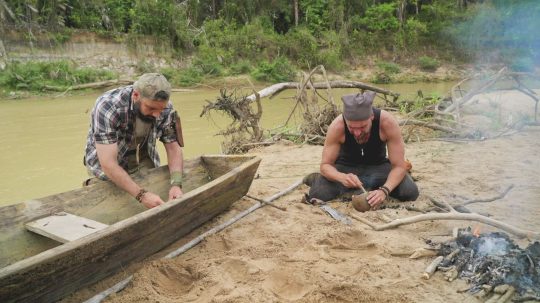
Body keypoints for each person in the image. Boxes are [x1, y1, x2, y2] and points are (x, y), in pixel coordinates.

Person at [84, 73, 184, 209]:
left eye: (161, 109)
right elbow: (108, 164)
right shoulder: (108, 106)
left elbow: (173, 147)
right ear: (136, 96)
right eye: (151, 108)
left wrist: (176, 184)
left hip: (141, 158)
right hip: (105, 167)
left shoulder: (165, 108)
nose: (157, 114)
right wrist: (142, 195)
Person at [306, 90, 419, 209]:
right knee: (317, 193)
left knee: (410, 192)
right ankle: (314, 178)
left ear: (371, 117)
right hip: (345, 168)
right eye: (352, 128)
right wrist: (342, 177)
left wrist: (384, 191)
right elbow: (325, 165)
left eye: (362, 127)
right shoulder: (337, 126)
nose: (357, 133)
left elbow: (399, 166)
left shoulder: (387, 123)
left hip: (378, 167)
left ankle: (367, 188)